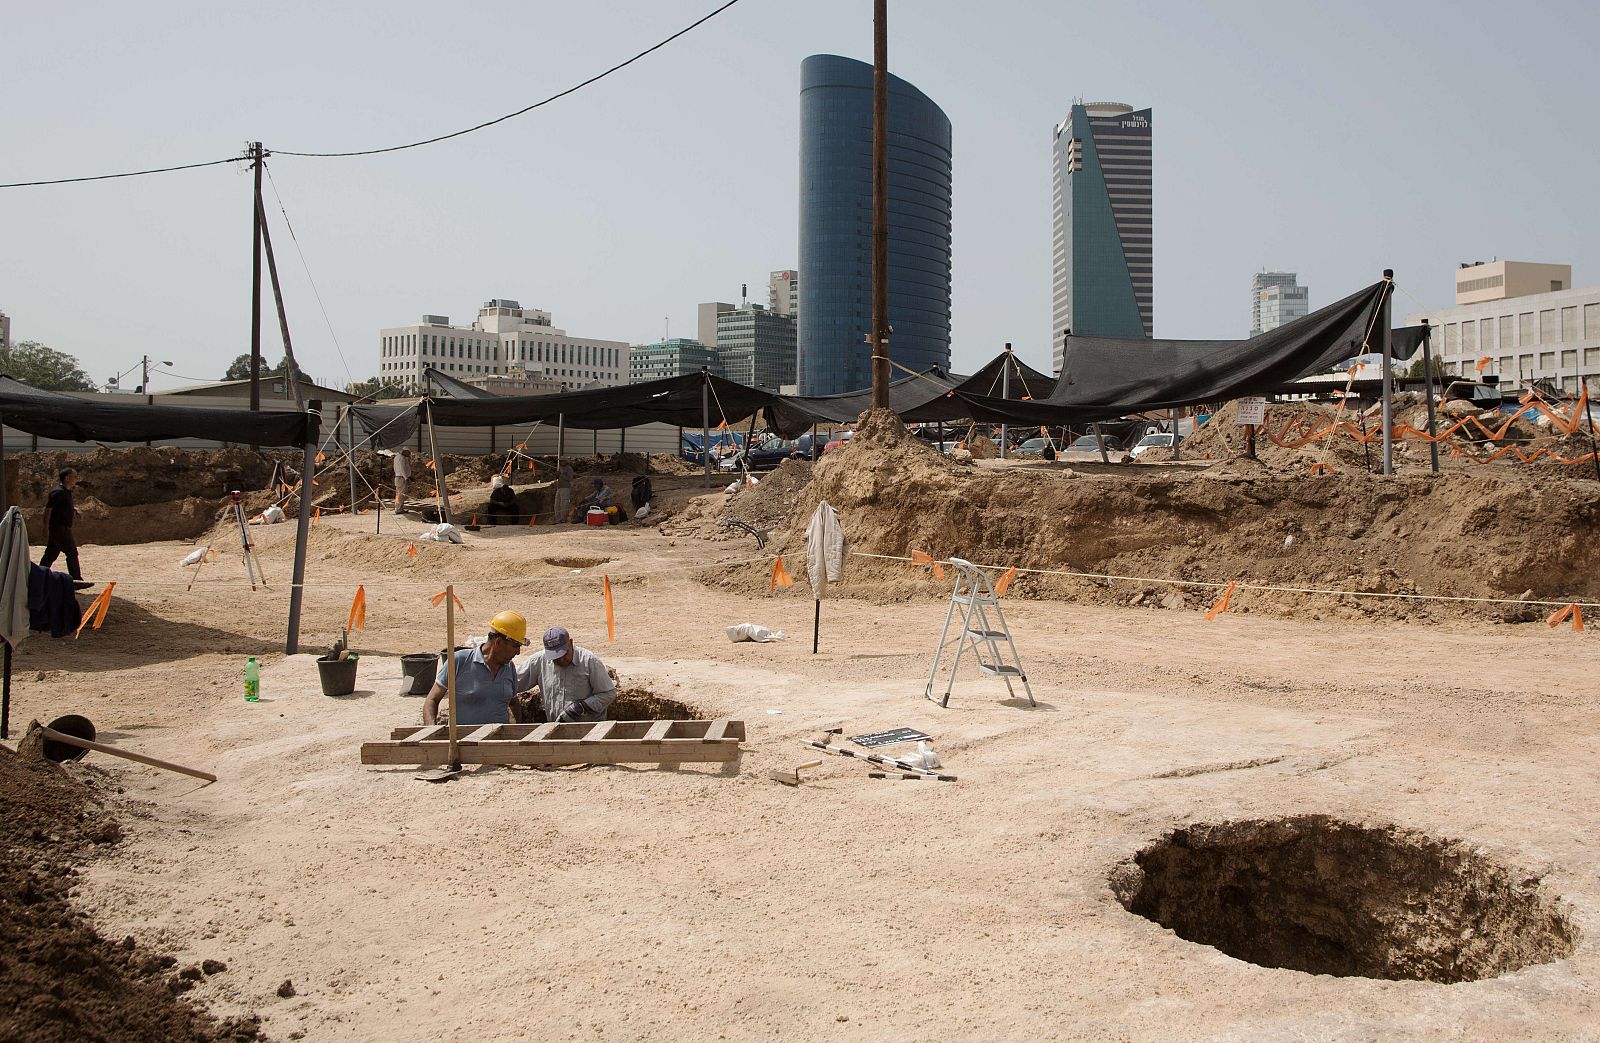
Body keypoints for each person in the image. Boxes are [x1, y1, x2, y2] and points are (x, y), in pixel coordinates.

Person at [422, 610, 535, 726]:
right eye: (516, 646)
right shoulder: (459, 661)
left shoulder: (509, 667)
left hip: (499, 741)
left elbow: (513, 702)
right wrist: (430, 730)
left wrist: (516, 731)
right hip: (463, 742)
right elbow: (432, 700)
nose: (518, 652)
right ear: (498, 642)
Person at [527, 626, 617, 723]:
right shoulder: (539, 661)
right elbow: (513, 682)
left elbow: (608, 694)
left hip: (588, 730)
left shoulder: (589, 661)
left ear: (570, 643)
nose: (561, 660)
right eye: (556, 657)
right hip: (556, 730)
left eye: (564, 654)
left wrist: (582, 707)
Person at [39, 468, 83, 580]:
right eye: (74, 477)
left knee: (50, 555)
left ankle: (38, 577)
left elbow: (63, 506)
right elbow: (48, 510)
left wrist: (74, 509)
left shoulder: (66, 492)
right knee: (72, 553)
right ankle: (76, 580)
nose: (76, 479)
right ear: (67, 478)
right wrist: (45, 527)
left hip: (62, 528)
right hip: (59, 528)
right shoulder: (58, 492)